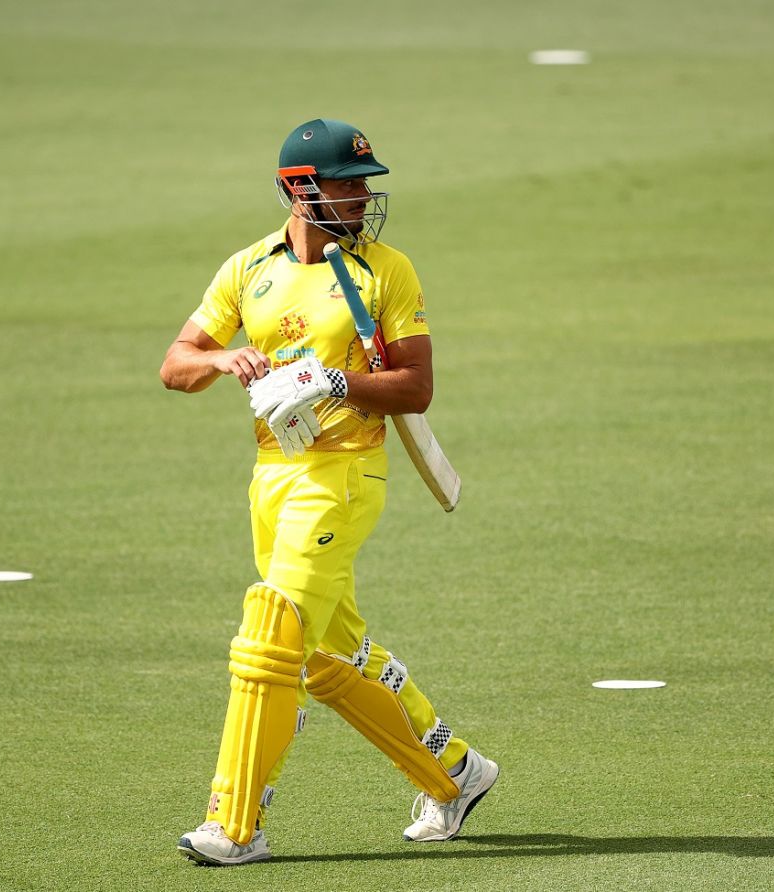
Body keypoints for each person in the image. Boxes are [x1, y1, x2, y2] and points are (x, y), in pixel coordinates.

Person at [160, 118, 498, 867]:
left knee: (273, 634)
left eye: (365, 185)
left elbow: (416, 386)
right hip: (272, 475)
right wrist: (222, 361)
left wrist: (335, 380)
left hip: (344, 475)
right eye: (347, 185)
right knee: (324, 657)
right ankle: (454, 773)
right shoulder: (248, 267)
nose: (362, 198)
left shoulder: (385, 271)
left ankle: (234, 824)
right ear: (298, 189)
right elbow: (176, 363)